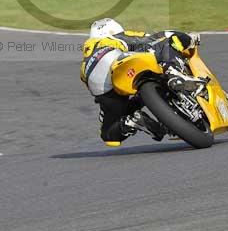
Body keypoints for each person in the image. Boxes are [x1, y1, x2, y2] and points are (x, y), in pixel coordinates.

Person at [80, 18, 200, 147]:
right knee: (167, 43)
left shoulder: (87, 56)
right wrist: (186, 37)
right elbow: (150, 39)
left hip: (95, 81)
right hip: (114, 59)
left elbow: (91, 88)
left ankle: (131, 122)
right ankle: (174, 75)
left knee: (108, 134)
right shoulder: (113, 38)